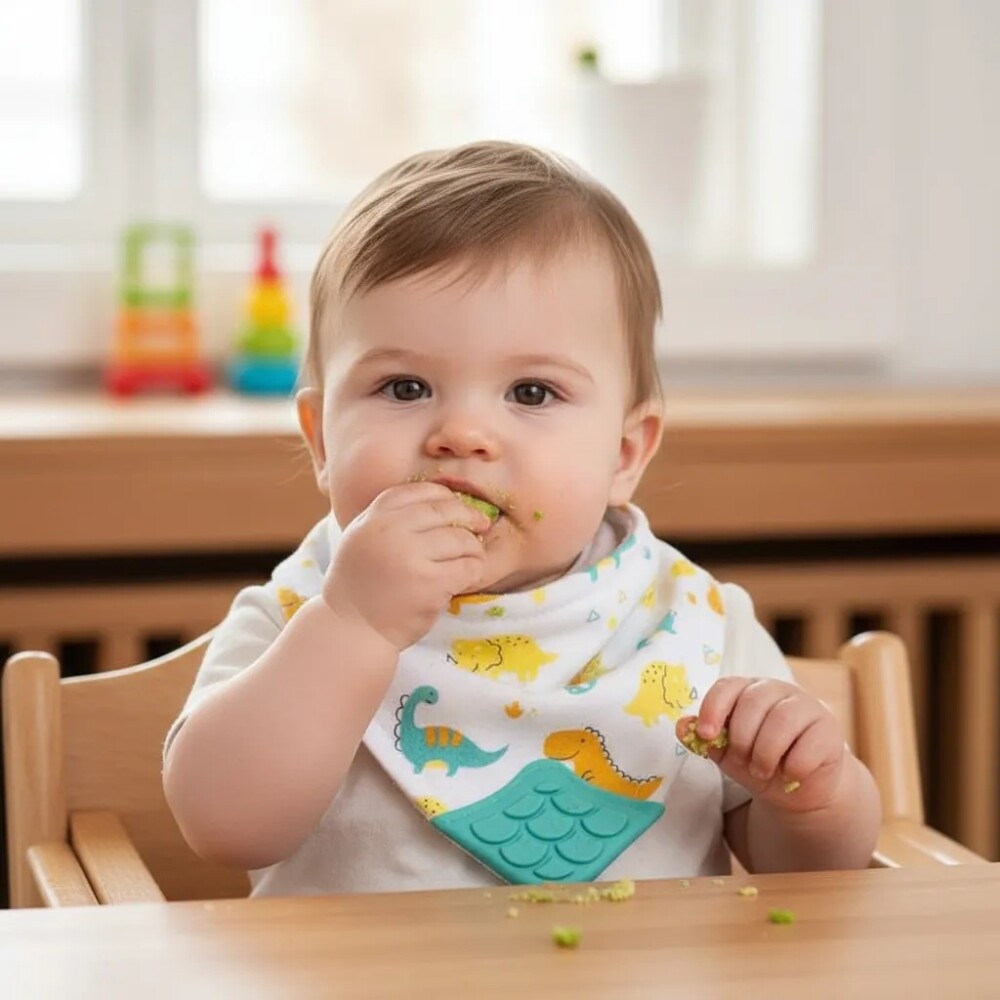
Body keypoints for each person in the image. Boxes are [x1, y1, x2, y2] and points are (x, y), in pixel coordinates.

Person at [162, 141, 880, 896]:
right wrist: (352, 626)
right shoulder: (304, 609)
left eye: (532, 394)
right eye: (404, 388)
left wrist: (810, 793)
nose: (462, 434)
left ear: (625, 453)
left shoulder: (691, 621)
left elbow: (810, 877)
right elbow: (224, 827)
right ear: (320, 440)